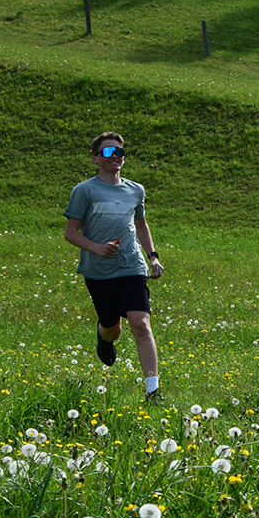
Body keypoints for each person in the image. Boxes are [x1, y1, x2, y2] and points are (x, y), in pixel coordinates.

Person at [63, 132, 166, 401]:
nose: (116, 157)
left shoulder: (135, 190)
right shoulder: (84, 191)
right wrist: (96, 248)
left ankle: (153, 391)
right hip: (98, 271)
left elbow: (141, 224)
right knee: (114, 329)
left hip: (132, 265)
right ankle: (104, 334)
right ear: (96, 158)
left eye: (120, 152)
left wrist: (152, 255)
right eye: (109, 152)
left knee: (141, 324)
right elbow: (70, 232)